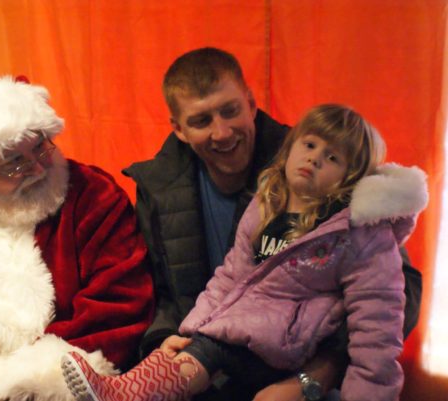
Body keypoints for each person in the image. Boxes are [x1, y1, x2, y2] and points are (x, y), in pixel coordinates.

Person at [61, 104, 428, 401]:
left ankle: (125, 394)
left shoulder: (358, 232)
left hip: (289, 348)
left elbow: (378, 323)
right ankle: (123, 391)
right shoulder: (267, 203)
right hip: (239, 333)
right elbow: (230, 276)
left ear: (353, 176)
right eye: (310, 145)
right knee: (192, 351)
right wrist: (190, 328)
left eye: (333, 158)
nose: (315, 159)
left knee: (207, 353)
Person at [0, 76, 154, 401]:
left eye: (40, 147)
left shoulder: (94, 194)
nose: (37, 168)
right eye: (14, 163)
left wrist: (32, 372)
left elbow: (120, 305)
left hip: (72, 366)